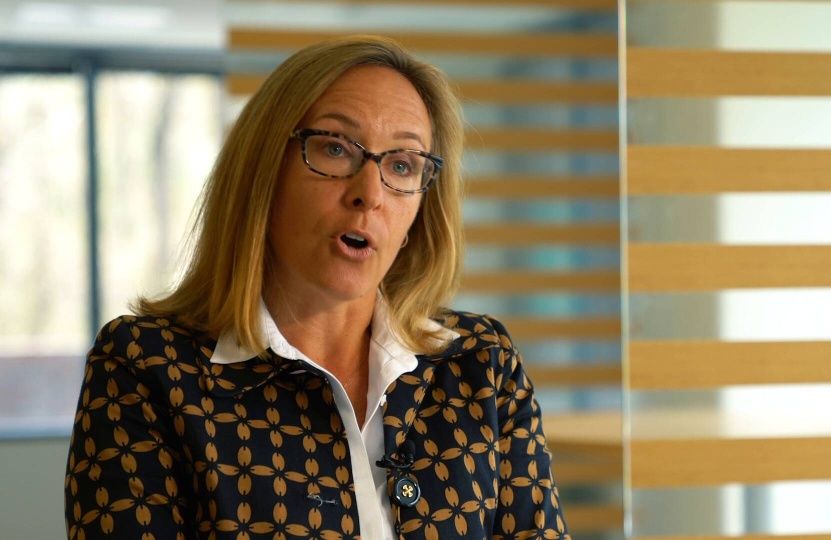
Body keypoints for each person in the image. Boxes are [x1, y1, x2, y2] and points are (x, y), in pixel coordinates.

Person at [64, 36, 568, 539]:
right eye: (335, 148)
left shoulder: (480, 364)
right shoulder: (147, 368)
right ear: (265, 172)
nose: (369, 194)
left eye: (402, 165)